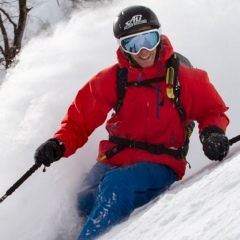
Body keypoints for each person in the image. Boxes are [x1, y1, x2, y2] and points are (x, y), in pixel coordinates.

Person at [34, 5, 230, 240]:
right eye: (133, 44)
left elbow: (213, 109)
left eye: (149, 39)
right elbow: (79, 120)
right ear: (123, 48)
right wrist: (58, 144)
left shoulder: (182, 76)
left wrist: (212, 133)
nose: (144, 50)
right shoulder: (114, 79)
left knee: (117, 185)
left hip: (161, 164)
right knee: (81, 200)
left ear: (159, 37)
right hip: (114, 159)